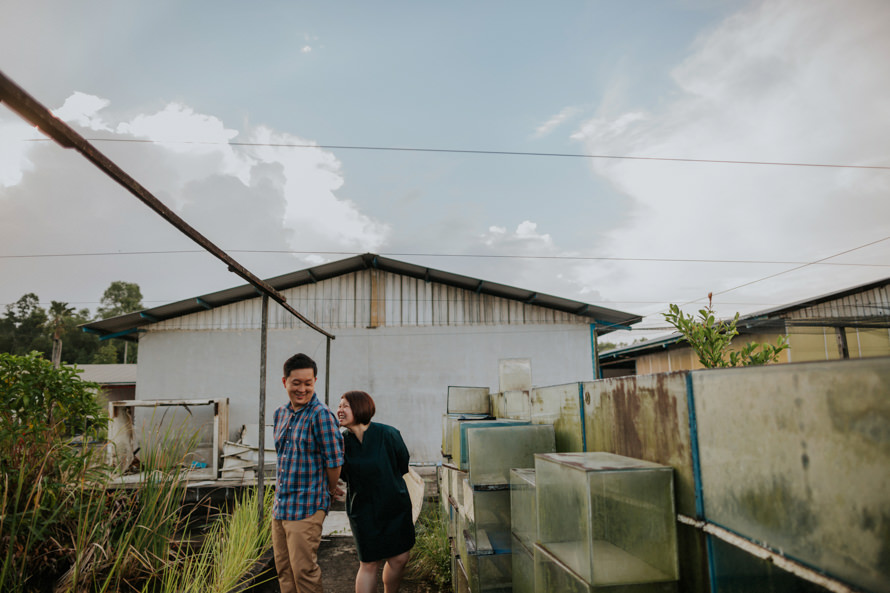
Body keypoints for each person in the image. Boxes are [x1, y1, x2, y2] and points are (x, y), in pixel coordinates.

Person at [272, 353, 345, 593]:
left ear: (314, 381)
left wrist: (329, 490)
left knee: (304, 572)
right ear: (285, 382)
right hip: (281, 506)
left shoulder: (321, 415)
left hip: (306, 506)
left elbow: (334, 462)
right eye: (296, 383)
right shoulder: (280, 414)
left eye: (308, 383)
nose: (302, 389)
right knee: (284, 571)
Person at [337, 390, 416, 593]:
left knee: (399, 558)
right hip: (363, 510)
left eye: (345, 405)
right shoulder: (341, 443)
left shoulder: (389, 434)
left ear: (360, 407)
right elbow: (343, 475)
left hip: (394, 506)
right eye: (339, 406)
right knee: (369, 563)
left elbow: (402, 464)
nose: (339, 410)